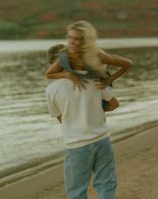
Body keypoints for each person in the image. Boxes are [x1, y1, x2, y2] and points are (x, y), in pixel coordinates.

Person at [45, 44, 120, 198]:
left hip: (76, 145)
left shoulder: (52, 90)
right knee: (106, 184)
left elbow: (61, 119)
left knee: (77, 191)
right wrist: (97, 112)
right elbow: (114, 104)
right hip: (101, 140)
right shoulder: (92, 79)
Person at [45, 20, 133, 91]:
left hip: (99, 87)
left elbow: (127, 63)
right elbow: (49, 74)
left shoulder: (98, 56)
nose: (71, 42)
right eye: (69, 37)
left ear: (85, 41)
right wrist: (68, 75)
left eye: (76, 39)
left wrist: (109, 80)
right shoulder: (65, 56)